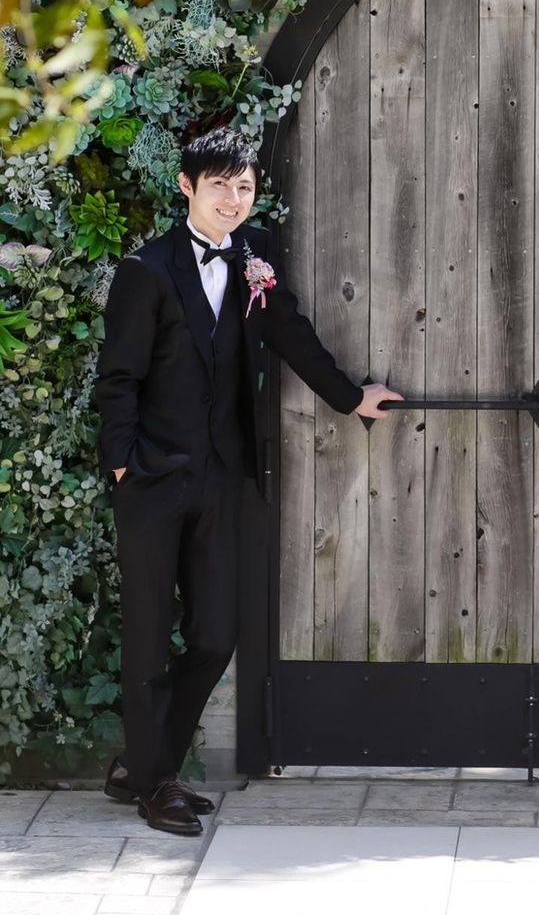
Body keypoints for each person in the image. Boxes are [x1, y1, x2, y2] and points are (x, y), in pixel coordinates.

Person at [94, 128, 401, 836]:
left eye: (245, 186)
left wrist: (349, 397)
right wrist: (122, 464)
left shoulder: (255, 255)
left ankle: (142, 765)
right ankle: (156, 784)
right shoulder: (146, 270)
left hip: (224, 478)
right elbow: (118, 378)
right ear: (186, 187)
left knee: (217, 634)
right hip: (152, 481)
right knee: (147, 638)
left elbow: (289, 332)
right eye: (220, 185)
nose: (234, 199)